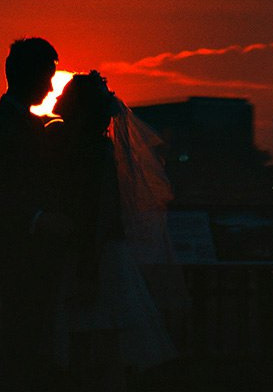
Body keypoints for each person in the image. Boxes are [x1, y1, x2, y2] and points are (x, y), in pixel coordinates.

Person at [49, 72, 178, 389]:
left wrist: (87, 267)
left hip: (95, 254)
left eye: (65, 93)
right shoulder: (90, 148)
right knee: (100, 339)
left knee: (95, 339)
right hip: (99, 251)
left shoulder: (92, 153)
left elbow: (99, 212)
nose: (58, 98)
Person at [0, 37, 73, 390]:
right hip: (18, 256)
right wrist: (38, 219)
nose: (50, 86)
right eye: (48, 76)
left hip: (35, 257)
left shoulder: (19, 125)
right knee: (22, 342)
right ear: (31, 76)